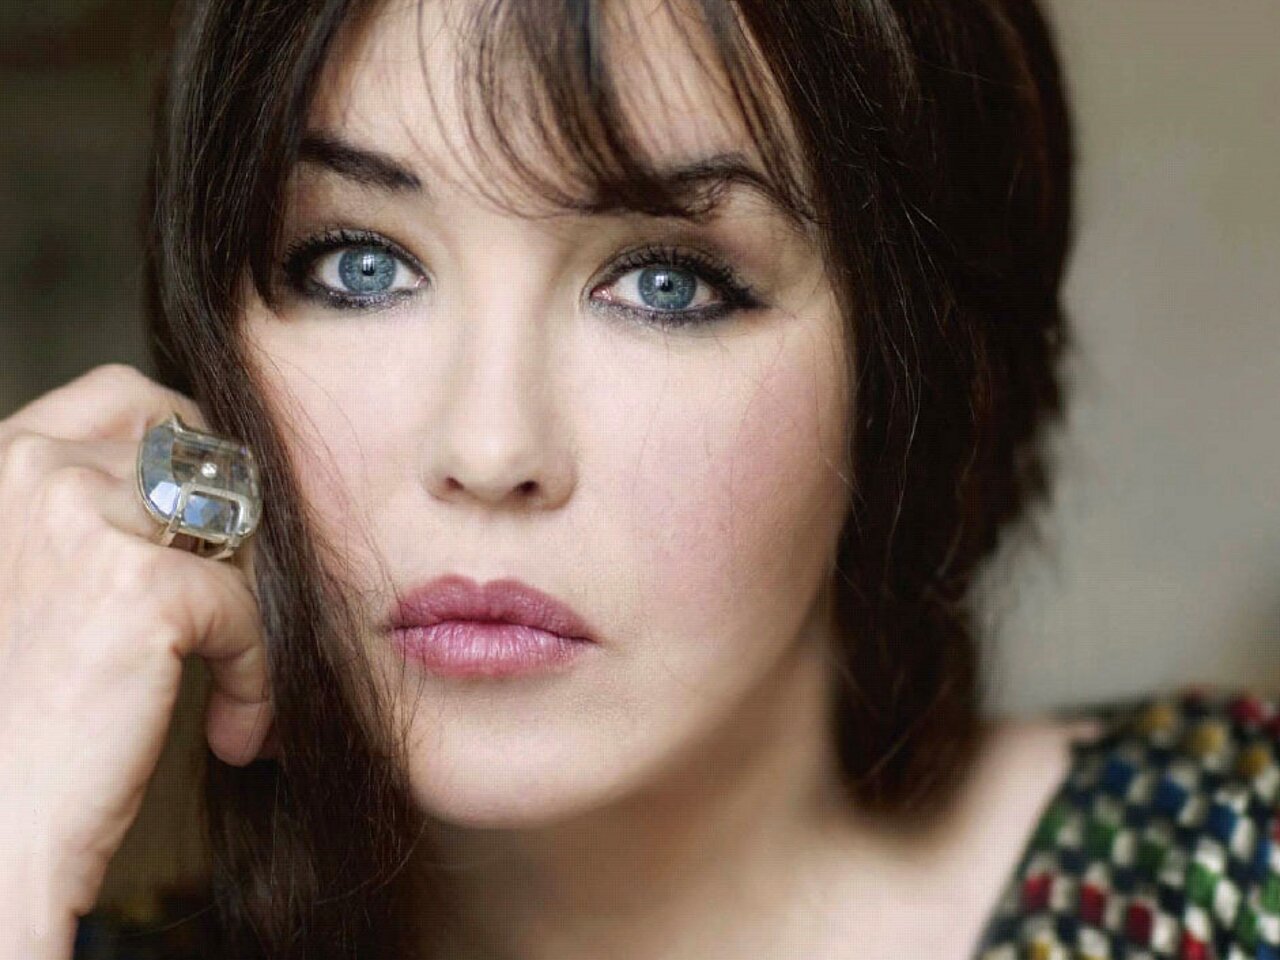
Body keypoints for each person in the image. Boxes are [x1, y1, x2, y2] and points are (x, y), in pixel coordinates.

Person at [1, 1, 1275, 958]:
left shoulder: (1234, 871)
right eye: (358, 267)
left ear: (909, 378)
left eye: (666, 284)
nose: (489, 451)